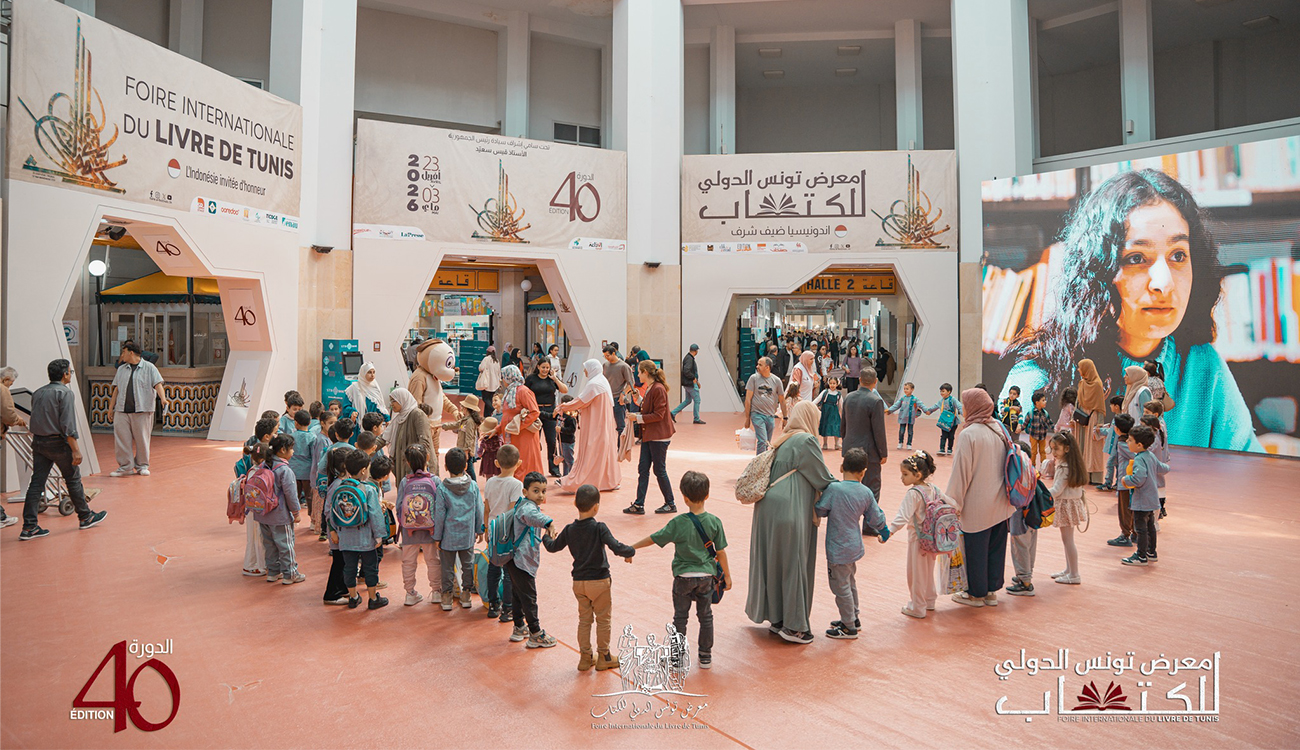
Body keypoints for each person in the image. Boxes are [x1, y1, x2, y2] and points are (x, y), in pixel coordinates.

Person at [1000, 168, 1258, 452]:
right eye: (1136, 258)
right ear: (1098, 272)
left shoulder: (1204, 367)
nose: (1164, 283)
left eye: (1178, 255)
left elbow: (1249, 476)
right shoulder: (1038, 377)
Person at [745, 401, 835, 645]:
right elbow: (823, 478)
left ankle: (777, 619)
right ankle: (795, 626)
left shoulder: (783, 438)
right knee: (794, 563)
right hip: (790, 508)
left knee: (775, 563)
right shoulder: (806, 440)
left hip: (768, 508)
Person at [631, 471, 730, 670]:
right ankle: (705, 656)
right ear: (707, 495)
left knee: (680, 618)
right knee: (706, 616)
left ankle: (676, 659)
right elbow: (721, 552)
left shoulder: (678, 523)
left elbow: (654, 538)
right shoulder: (714, 522)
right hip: (706, 577)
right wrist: (727, 576)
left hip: (683, 577)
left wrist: (632, 547)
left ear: (684, 497)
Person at [543, 484, 636, 672]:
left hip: (579, 583)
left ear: (575, 503)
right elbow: (616, 547)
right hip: (599, 582)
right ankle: (604, 656)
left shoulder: (569, 530)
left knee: (584, 620)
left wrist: (546, 536)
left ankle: (585, 657)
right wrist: (630, 551)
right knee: (603, 619)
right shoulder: (599, 528)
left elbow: (552, 547)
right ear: (596, 507)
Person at [19, 360, 106, 540]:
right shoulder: (65, 393)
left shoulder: (38, 392)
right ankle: (85, 516)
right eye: (70, 372)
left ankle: (29, 527)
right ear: (65, 374)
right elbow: (68, 425)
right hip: (58, 444)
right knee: (73, 479)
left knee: (36, 483)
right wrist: (76, 450)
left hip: (39, 443)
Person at [945, 388, 1016, 608]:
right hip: (1002, 502)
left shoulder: (969, 434)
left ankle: (975, 594)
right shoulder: (1000, 428)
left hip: (977, 504)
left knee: (975, 549)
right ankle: (991, 592)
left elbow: (961, 472)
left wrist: (952, 502)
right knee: (996, 546)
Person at [814, 448, 889, 639]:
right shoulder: (865, 492)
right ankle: (853, 617)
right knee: (850, 582)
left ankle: (848, 627)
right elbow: (875, 516)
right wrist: (884, 530)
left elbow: (821, 510)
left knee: (841, 587)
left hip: (838, 549)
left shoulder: (834, 489)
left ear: (841, 467)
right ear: (863, 472)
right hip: (854, 546)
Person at [887, 450, 946, 619]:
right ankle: (929, 601)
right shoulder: (933, 489)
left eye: (905, 474)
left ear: (917, 474)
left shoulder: (913, 494)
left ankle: (917, 607)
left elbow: (902, 516)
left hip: (918, 539)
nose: (902, 478)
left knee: (915, 574)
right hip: (933, 540)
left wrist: (889, 532)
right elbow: (950, 502)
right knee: (927, 572)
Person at [506, 472, 559, 649]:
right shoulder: (527, 508)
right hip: (522, 561)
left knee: (518, 594)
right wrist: (549, 523)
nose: (541, 495)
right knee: (529, 597)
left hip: (514, 558)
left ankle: (519, 627)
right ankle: (535, 633)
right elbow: (532, 517)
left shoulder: (524, 504)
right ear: (525, 491)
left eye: (543, 491)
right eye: (536, 491)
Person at [329, 449, 387, 609]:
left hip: (345, 538)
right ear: (363, 470)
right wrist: (379, 536)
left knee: (349, 568)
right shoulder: (368, 490)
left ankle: (353, 597)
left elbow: (332, 513)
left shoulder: (338, 488)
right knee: (370, 567)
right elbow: (375, 514)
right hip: (365, 537)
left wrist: (334, 530)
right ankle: (373, 598)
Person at [558, 360, 621, 494]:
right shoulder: (602, 381)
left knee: (592, 450)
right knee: (603, 451)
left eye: (586, 369)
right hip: (602, 424)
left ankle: (583, 481)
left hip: (596, 425)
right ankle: (607, 480)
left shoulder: (594, 384)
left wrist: (562, 407)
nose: (585, 371)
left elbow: (580, 401)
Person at [108, 342, 168, 477]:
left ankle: (142, 466)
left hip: (143, 409)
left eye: (123, 352)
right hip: (122, 410)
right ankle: (125, 467)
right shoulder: (121, 369)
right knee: (122, 439)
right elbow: (116, 389)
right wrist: (111, 409)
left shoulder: (149, 368)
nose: (121, 355)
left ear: (131, 353)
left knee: (142, 439)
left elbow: (158, 384)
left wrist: (163, 399)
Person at [434, 448, 484, 611]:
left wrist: (437, 537)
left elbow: (440, 514)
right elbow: (479, 509)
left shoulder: (442, 488)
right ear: (465, 466)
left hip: (448, 536)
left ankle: (447, 597)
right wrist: (479, 529)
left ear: (446, 467)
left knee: (447, 567)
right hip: (467, 535)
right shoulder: (473, 486)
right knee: (467, 565)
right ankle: (466, 594)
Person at [840, 367, 888, 530]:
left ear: (860, 380)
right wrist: (883, 453)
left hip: (850, 448)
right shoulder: (875, 401)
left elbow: (843, 425)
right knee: (872, 487)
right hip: (869, 451)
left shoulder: (849, 398)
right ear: (875, 382)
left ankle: (847, 523)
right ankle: (869, 525)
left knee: (849, 487)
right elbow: (879, 430)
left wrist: (844, 445)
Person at [624, 360, 675, 514]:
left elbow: (658, 415)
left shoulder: (658, 389)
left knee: (659, 470)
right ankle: (639, 504)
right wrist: (638, 398)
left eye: (639, 372)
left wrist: (637, 418)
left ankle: (670, 503)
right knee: (643, 469)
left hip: (658, 436)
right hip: (650, 435)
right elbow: (648, 406)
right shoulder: (651, 388)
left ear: (646, 372)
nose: (637, 375)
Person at [255, 434, 305, 585]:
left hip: (263, 514)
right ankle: (290, 574)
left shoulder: (263, 465)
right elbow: (291, 494)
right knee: (285, 545)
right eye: (291, 449)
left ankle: (273, 572)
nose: (293, 452)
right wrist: (296, 513)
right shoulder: (284, 470)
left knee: (269, 544)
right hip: (279, 515)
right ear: (283, 450)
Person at [395, 445, 440, 606]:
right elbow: (440, 506)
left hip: (409, 531)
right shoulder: (434, 480)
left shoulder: (405, 481)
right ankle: (436, 591)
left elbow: (400, 505)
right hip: (431, 530)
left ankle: (410, 593)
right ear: (428, 457)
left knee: (408, 562)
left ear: (407, 462)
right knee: (433, 560)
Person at [482, 444, 522, 621]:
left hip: (492, 529)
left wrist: (485, 528)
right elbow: (512, 512)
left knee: (493, 568)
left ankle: (493, 605)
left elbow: (487, 508)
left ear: (497, 463)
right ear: (518, 463)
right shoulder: (516, 485)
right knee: (509, 572)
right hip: (507, 532)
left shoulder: (490, 482)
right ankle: (507, 609)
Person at [1119, 424, 1168, 566]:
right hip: (1152, 498)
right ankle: (1151, 552)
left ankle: (1141, 555)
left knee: (1141, 528)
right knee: (1150, 526)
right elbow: (1162, 467)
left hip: (1141, 500)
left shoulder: (1139, 459)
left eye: (1129, 440)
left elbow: (1139, 479)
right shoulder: (1150, 455)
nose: (1127, 442)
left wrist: (1126, 480)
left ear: (1139, 445)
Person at [1047, 431, 1089, 586]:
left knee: (1068, 540)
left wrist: (1040, 494)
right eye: (1052, 449)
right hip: (1070, 504)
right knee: (1067, 540)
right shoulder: (1070, 464)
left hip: (1066, 505)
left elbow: (1057, 490)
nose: (1053, 453)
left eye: (1056, 449)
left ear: (1066, 448)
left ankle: (1074, 573)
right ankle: (1069, 570)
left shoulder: (1064, 467)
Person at [526, 360, 569, 478]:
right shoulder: (531, 379)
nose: (545, 370)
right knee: (534, 440)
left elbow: (565, 390)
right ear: (538, 366)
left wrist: (555, 378)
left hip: (551, 412)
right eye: (543, 367)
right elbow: (524, 393)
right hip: (535, 411)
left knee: (551, 441)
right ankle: (533, 468)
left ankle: (554, 468)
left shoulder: (551, 379)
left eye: (547, 367)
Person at [384, 387, 433, 481]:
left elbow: (424, 441)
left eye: (394, 401)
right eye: (391, 401)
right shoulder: (398, 418)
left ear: (402, 399)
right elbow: (384, 438)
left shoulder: (417, 414)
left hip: (415, 466)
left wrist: (420, 463)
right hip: (403, 464)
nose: (391, 404)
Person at [1, 366, 29, 528]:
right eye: (10, 383)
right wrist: (20, 421)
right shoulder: (2, 390)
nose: (10, 386)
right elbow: (9, 413)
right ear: (6, 380)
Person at [1074, 359, 1110, 482]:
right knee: (1081, 445)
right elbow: (1078, 401)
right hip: (1081, 419)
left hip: (1093, 418)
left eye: (1080, 367)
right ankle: (1083, 475)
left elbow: (1100, 406)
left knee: (1093, 448)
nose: (1078, 370)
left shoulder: (1097, 384)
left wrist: (1099, 424)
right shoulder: (1081, 383)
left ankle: (1094, 477)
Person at [744, 357, 786, 455]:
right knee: (762, 441)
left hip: (770, 416)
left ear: (767, 367)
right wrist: (747, 418)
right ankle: (759, 464)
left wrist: (785, 417)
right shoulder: (753, 378)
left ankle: (763, 460)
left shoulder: (776, 380)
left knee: (767, 442)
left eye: (760, 365)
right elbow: (748, 399)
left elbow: (782, 400)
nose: (757, 366)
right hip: (757, 414)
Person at [1107, 414, 1137, 547]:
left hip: (1126, 481)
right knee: (1132, 507)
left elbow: (1133, 455)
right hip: (1131, 480)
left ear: (1117, 429)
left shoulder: (1123, 443)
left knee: (1124, 509)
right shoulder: (1131, 440)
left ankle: (1125, 535)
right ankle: (1135, 533)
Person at [441, 394, 484, 480]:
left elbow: (469, 437)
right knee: (465, 468)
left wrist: (466, 451)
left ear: (466, 408)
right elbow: (457, 425)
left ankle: (473, 484)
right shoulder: (465, 420)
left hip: (465, 451)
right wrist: (444, 426)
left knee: (469, 469)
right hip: (463, 449)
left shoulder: (470, 422)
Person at [924, 383, 962, 456]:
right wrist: (928, 411)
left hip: (953, 422)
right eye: (941, 391)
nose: (941, 393)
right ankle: (942, 449)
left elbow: (959, 406)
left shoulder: (953, 400)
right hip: (944, 421)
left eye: (943, 391)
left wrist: (964, 414)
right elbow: (935, 407)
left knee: (951, 436)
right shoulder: (941, 401)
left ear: (949, 392)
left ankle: (949, 449)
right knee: (943, 435)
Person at [671, 344, 705, 425]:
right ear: (696, 351)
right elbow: (687, 371)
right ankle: (696, 418)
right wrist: (693, 378)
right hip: (690, 384)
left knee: (688, 400)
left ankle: (673, 413)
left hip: (688, 384)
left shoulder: (688, 358)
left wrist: (697, 382)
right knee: (697, 400)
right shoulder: (689, 359)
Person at [1023, 391, 1053, 466]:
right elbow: (1025, 423)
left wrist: (1055, 429)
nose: (1045, 402)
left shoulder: (1045, 413)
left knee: (1042, 451)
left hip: (1042, 436)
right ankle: (1032, 467)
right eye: (1043, 400)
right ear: (1037, 402)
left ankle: (1043, 466)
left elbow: (1050, 423)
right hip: (1033, 435)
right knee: (1033, 452)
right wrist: (1020, 429)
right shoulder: (1030, 413)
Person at [813, 377, 843, 450]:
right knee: (825, 426)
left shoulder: (838, 394)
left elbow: (840, 405)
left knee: (836, 426)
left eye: (834, 383)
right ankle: (825, 443)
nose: (832, 385)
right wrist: (811, 404)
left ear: (837, 384)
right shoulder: (825, 392)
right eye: (831, 383)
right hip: (826, 411)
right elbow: (817, 399)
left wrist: (841, 414)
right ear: (828, 384)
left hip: (834, 412)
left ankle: (837, 443)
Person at [476, 346, 502, 419]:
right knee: (490, 399)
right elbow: (499, 372)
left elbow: (481, 368)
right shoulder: (496, 360)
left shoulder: (486, 359)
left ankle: (493, 410)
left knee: (485, 399)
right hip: (495, 383)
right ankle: (486, 416)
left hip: (486, 383)